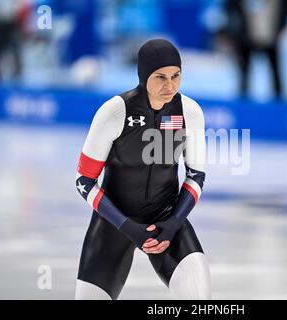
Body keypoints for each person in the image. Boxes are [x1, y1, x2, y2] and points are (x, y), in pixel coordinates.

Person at [74, 39, 211, 300]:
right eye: (160, 77)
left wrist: (173, 224)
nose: (169, 86)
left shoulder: (189, 112)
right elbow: (85, 180)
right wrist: (126, 226)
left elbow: (196, 176)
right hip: (113, 224)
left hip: (167, 220)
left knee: (199, 299)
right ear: (143, 76)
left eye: (176, 76)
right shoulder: (114, 112)